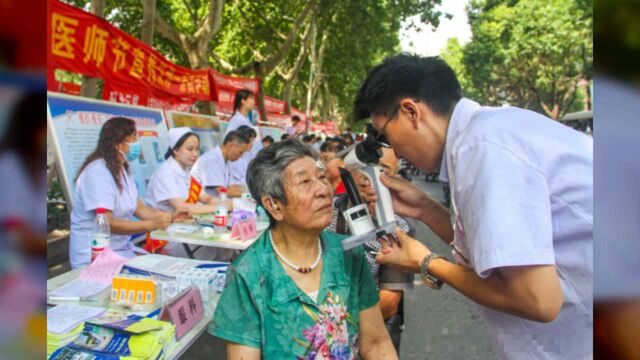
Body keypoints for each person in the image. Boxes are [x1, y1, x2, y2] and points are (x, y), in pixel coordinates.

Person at [354, 54, 593, 359]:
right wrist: (426, 209)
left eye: (382, 135)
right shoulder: (485, 134)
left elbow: (538, 301)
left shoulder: (483, 148)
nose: (391, 150)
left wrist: (426, 261)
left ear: (411, 111)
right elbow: (492, 257)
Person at [210, 139, 397, 359]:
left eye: (321, 178)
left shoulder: (349, 253)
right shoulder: (248, 275)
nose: (323, 190)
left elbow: (375, 342)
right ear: (273, 205)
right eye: (305, 182)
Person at [327, 147, 414, 355]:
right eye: (364, 168)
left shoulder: (398, 229)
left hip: (368, 338)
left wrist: (333, 324)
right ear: (349, 170)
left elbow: (389, 302)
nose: (370, 178)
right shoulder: (325, 213)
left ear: (393, 177)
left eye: (382, 169)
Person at [69, 117, 179, 268]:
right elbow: (106, 222)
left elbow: (139, 208)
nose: (137, 141)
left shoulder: (122, 169)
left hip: (119, 250)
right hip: (94, 257)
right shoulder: (97, 172)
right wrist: (152, 224)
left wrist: (169, 217)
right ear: (117, 143)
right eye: (133, 136)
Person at [191, 130, 251, 198]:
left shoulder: (227, 162)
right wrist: (246, 195)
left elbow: (231, 186)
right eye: (240, 152)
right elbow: (221, 190)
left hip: (215, 203)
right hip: (200, 204)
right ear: (231, 145)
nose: (241, 156)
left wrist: (249, 190)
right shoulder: (211, 160)